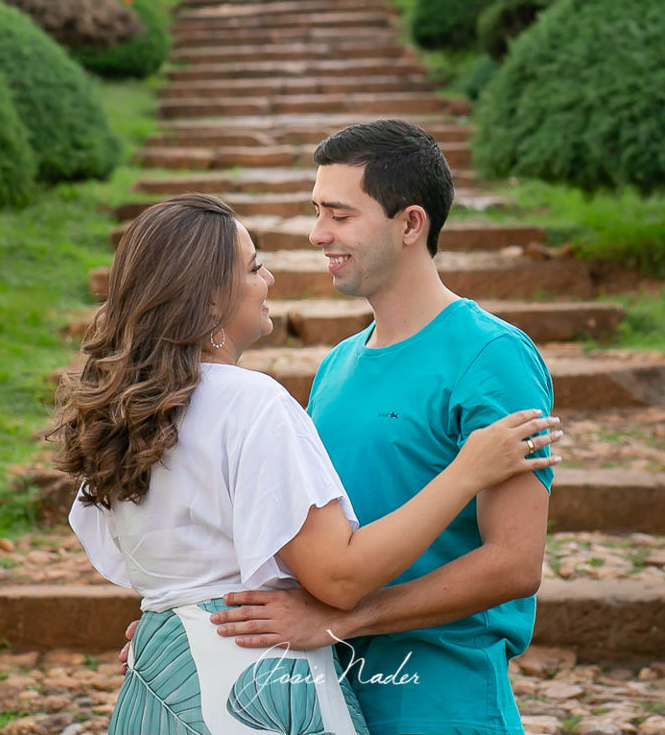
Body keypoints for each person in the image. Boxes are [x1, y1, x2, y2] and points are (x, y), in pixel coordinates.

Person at [53, 193, 561, 735]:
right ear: (209, 301)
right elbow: (338, 577)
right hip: (255, 686)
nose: (269, 278)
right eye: (253, 268)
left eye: (339, 215)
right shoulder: (252, 402)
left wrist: (179, 624)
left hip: (163, 674)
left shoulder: (125, 415)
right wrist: (467, 472)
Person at [209, 120, 558, 735]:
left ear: (410, 223)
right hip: (326, 697)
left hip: (443, 702)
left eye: (340, 215)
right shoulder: (337, 364)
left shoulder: (494, 357)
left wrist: (348, 619)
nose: (319, 234)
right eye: (317, 211)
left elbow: (513, 563)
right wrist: (189, 623)